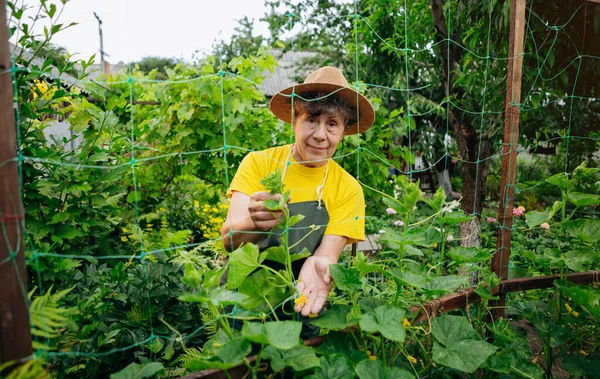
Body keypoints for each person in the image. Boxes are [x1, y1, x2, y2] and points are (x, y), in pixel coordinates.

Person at [220, 66, 375, 325]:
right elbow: (229, 239)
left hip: (301, 302)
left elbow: (327, 253)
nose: (320, 135)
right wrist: (254, 222)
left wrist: (320, 265)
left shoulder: (348, 188)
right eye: (312, 119)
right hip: (241, 303)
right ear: (295, 120)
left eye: (332, 124)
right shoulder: (259, 163)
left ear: (343, 131)